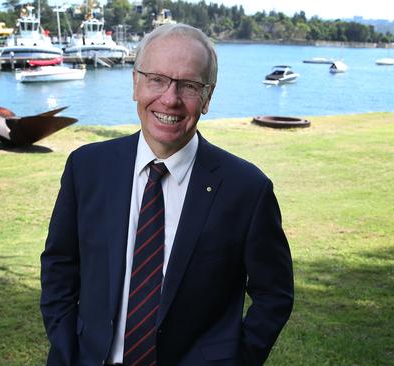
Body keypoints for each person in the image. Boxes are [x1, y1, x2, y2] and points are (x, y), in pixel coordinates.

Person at [40, 23, 294, 366]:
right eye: (156, 79)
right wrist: (66, 347)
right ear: (135, 83)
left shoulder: (246, 190)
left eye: (189, 85)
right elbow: (60, 266)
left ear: (207, 98)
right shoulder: (87, 168)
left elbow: (273, 294)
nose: (170, 99)